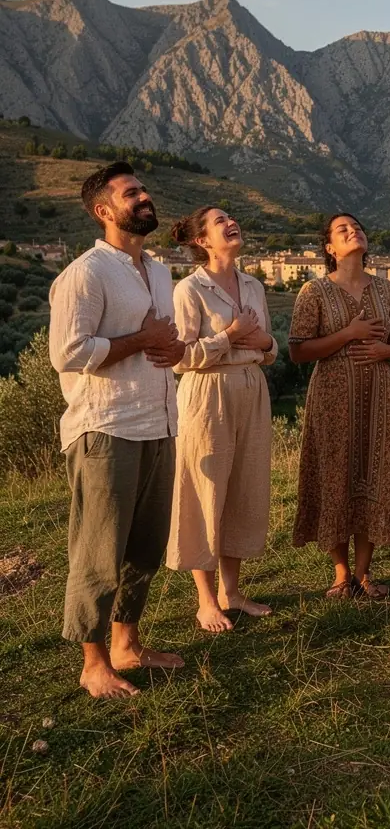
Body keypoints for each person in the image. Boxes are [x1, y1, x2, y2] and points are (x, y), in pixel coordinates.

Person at [48, 162, 186, 698]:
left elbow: (161, 343)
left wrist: (169, 346)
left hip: (159, 422)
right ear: (104, 211)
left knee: (146, 547)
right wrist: (141, 337)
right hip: (106, 427)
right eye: (133, 193)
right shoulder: (85, 273)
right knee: (99, 550)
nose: (146, 197)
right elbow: (70, 353)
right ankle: (94, 663)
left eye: (145, 189)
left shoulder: (158, 271)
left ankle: (128, 644)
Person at [289, 213, 390, 599]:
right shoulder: (313, 292)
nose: (354, 231)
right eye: (343, 230)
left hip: (378, 397)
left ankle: (364, 573)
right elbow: (297, 351)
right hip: (331, 399)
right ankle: (340, 574)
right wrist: (350, 334)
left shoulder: (387, 291)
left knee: (372, 475)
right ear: (329, 247)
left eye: (358, 227)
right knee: (335, 477)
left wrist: (387, 351)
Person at [165, 207, 278, 632]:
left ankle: (233, 591)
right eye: (219, 221)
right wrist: (230, 335)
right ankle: (206, 600)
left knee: (244, 489)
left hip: (252, 387)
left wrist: (257, 339)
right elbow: (181, 358)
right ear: (201, 240)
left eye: (232, 216)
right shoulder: (188, 290)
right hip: (206, 394)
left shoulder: (253, 286)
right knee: (205, 488)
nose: (231, 223)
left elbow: (270, 348)